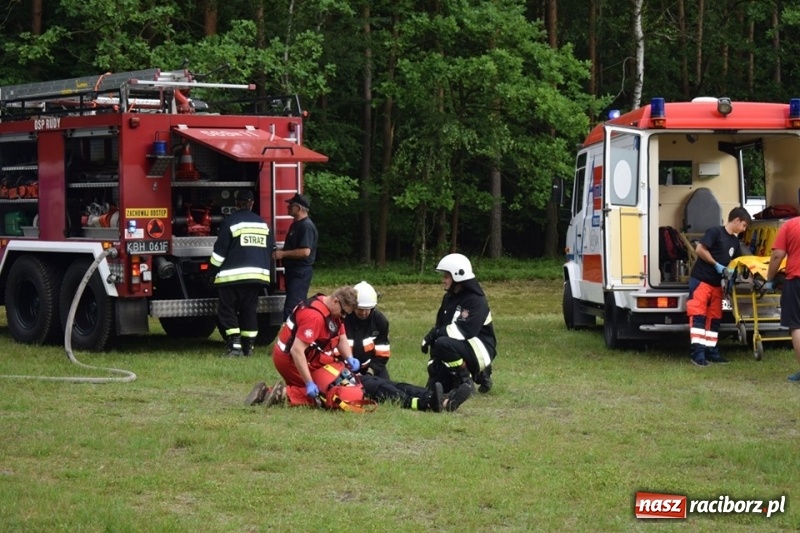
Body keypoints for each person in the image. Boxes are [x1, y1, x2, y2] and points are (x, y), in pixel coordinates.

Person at [266, 286, 360, 407]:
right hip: (289, 360)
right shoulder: (314, 317)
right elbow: (297, 350)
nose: (343, 317)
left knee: (337, 378)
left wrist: (349, 357)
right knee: (328, 392)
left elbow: (341, 336)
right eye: (343, 312)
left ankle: (271, 393)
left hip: (305, 357)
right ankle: (283, 394)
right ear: (335, 301)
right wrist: (309, 382)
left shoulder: (326, 305)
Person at [209, 189, 273, 357]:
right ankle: (249, 348)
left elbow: (219, 253)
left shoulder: (230, 222)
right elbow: (270, 250)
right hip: (257, 277)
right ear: (252, 203)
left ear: (236, 204)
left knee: (227, 309)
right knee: (249, 310)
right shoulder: (263, 224)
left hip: (232, 278)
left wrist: (212, 272)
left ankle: (235, 346)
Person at [422, 253, 497, 395]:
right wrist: (433, 363)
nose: (443, 280)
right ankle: (477, 374)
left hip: (480, 348)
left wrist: (434, 335)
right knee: (434, 387)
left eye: (446, 276)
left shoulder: (476, 300)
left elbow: (463, 331)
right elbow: (441, 326)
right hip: (459, 346)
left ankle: (465, 380)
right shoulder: (448, 298)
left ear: (458, 277)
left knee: (442, 342)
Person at [686, 206, 751, 366]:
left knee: (714, 319)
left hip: (717, 285)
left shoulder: (735, 242)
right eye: (743, 225)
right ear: (736, 220)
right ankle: (698, 355)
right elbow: (700, 249)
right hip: (702, 280)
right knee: (698, 317)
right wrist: (716, 264)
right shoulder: (715, 232)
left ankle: (712, 352)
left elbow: (735, 263)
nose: (743, 229)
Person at [763, 215, 800, 381]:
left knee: (797, 325)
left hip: (796, 280)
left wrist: (769, 279)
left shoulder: (790, 225)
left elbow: (778, 255)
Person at [273, 192, 318, 320]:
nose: (288, 207)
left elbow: (305, 252)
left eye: (290, 205)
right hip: (293, 271)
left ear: (298, 208)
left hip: (300, 272)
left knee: (293, 308)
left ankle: (292, 337)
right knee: (294, 306)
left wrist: (283, 254)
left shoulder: (306, 226)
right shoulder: (296, 225)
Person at [344, 281, 391, 379]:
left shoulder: (380, 321)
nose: (364, 313)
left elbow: (382, 354)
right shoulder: (343, 320)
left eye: (367, 309)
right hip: (344, 368)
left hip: (371, 367)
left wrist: (370, 372)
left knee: (384, 389)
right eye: (360, 309)